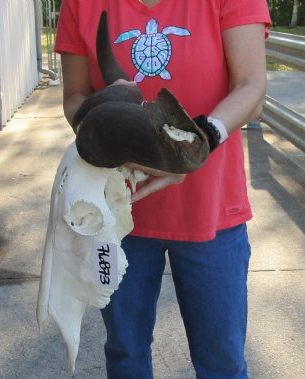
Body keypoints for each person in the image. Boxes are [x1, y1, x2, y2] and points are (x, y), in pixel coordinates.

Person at [54, 0, 271, 378]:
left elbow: (251, 86)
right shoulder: (80, 3)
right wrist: (103, 120)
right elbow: (74, 96)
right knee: (125, 353)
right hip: (118, 214)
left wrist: (196, 144)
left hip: (212, 210)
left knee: (222, 360)